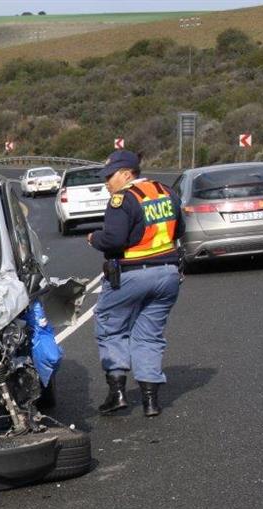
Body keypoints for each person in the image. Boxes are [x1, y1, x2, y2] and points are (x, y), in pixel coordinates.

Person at [88, 150, 183, 417]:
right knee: (149, 335)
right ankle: (150, 400)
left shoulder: (122, 199)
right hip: (167, 274)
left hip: (131, 274)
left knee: (110, 326)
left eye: (110, 176)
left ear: (127, 174)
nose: (106, 182)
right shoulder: (166, 192)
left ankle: (117, 393)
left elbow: (114, 240)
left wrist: (95, 238)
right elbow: (181, 231)